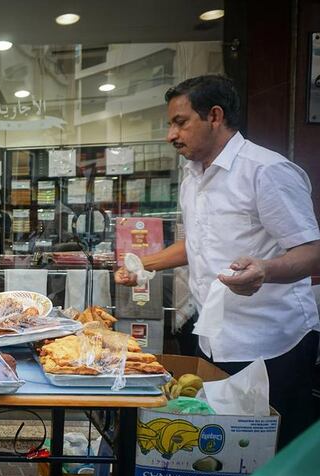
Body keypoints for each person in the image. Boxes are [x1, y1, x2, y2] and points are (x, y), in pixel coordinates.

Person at [115, 75, 320, 448]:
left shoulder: (266, 170)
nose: (170, 135)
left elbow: (311, 252)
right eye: (170, 124)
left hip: (273, 343)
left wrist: (265, 271)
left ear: (214, 116)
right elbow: (196, 244)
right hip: (214, 338)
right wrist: (144, 265)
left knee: (273, 456)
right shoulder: (193, 177)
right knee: (220, 450)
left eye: (180, 122)